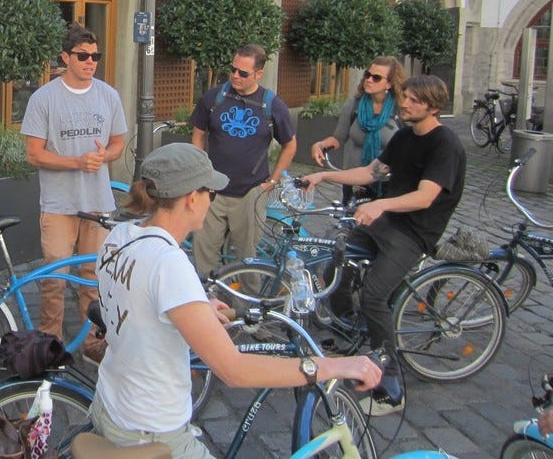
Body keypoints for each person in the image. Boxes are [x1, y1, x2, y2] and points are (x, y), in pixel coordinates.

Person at [92, 143, 381, 458]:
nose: (212, 201)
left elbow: (137, 298)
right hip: (149, 429)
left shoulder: (120, 236)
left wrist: (195, 307)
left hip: (110, 403)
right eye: (211, 194)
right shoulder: (168, 263)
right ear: (191, 199)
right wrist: (334, 366)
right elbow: (234, 370)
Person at [303, 74, 466, 415]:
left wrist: (380, 204)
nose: (405, 103)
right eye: (405, 96)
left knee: (374, 296)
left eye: (415, 100)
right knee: (337, 264)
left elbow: (425, 197)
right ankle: (351, 333)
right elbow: (370, 172)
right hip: (387, 222)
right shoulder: (404, 136)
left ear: (434, 107)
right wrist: (323, 175)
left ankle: (390, 385)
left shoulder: (445, 144)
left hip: (414, 232)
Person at [20, 23, 127, 362]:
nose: (90, 62)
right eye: (83, 56)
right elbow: (34, 154)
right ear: (65, 57)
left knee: (94, 277)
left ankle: (92, 344)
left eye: (95, 56)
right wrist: (76, 163)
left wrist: (104, 156)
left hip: (97, 203)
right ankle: (50, 345)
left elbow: (118, 143)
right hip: (58, 204)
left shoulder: (108, 95)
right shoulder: (44, 98)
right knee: (55, 277)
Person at [189, 43, 297, 278]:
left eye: (243, 73)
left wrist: (272, 181)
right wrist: (200, 170)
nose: (235, 75)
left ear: (259, 74)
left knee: (247, 259)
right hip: (212, 191)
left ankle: (246, 299)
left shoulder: (272, 105)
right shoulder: (215, 97)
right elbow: (198, 133)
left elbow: (290, 145)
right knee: (204, 253)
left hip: (250, 192)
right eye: (233, 69)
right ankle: (210, 296)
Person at [311, 56, 407, 200]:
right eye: (367, 75)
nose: (369, 80)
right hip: (354, 180)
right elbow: (338, 138)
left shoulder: (401, 109)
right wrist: (320, 145)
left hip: (388, 182)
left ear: (389, 84)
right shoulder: (354, 105)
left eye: (376, 78)